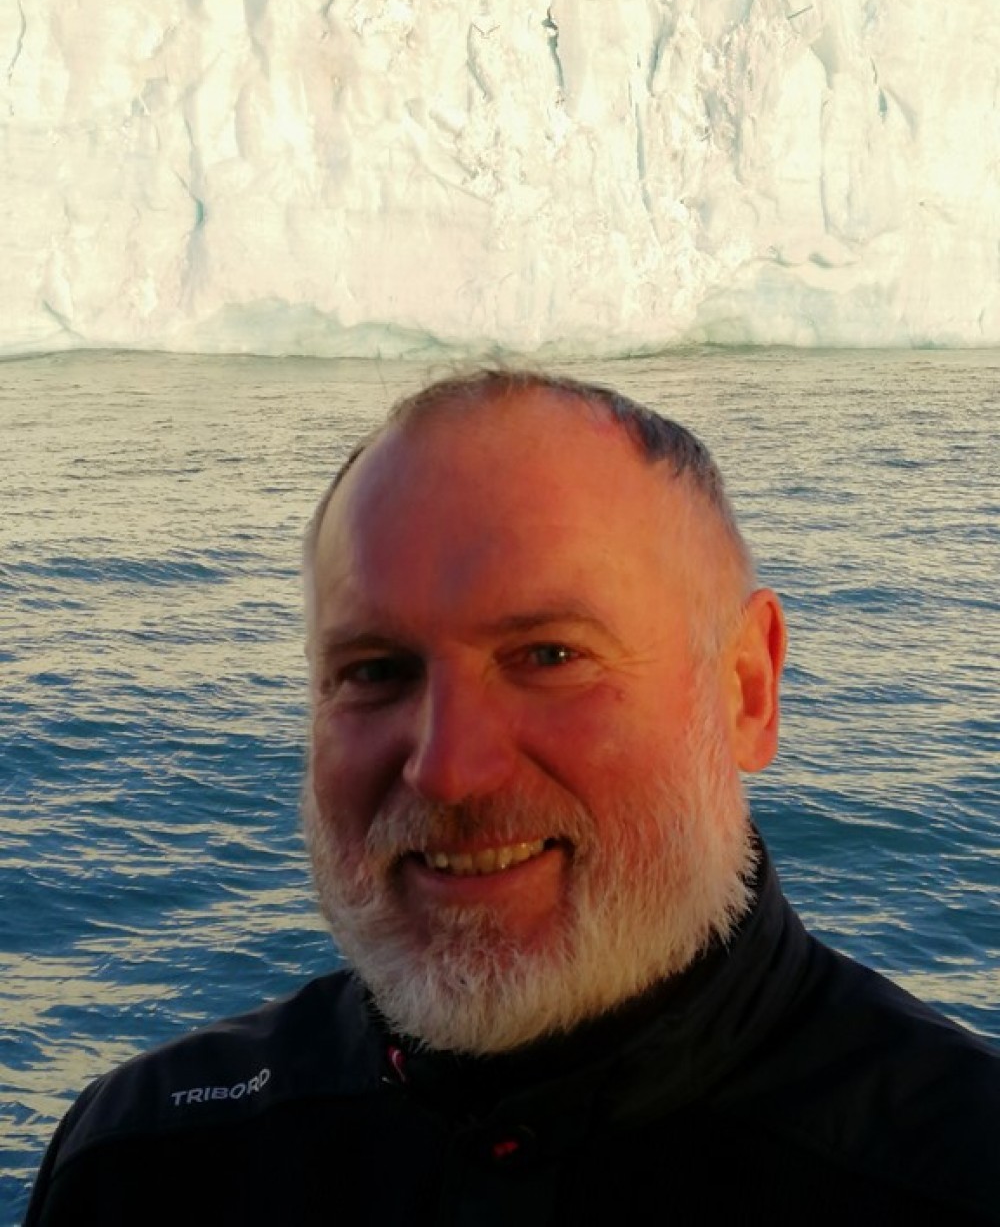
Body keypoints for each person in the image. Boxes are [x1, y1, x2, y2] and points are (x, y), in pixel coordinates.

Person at [25, 368, 1000, 1225]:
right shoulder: (144, 1168)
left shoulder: (958, 1175)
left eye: (550, 655)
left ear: (746, 689)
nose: (449, 768)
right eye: (375, 670)